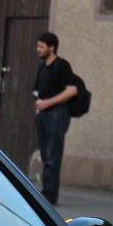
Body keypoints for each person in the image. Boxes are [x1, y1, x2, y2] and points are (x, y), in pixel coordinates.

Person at [33, 31, 78, 206]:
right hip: (43, 115)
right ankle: (46, 192)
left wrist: (49, 103)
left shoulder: (62, 66)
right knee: (46, 155)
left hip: (57, 114)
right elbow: (37, 90)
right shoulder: (42, 67)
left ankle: (50, 197)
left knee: (52, 155)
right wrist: (38, 103)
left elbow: (72, 90)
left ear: (52, 48)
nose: (38, 49)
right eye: (38, 46)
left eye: (41, 46)